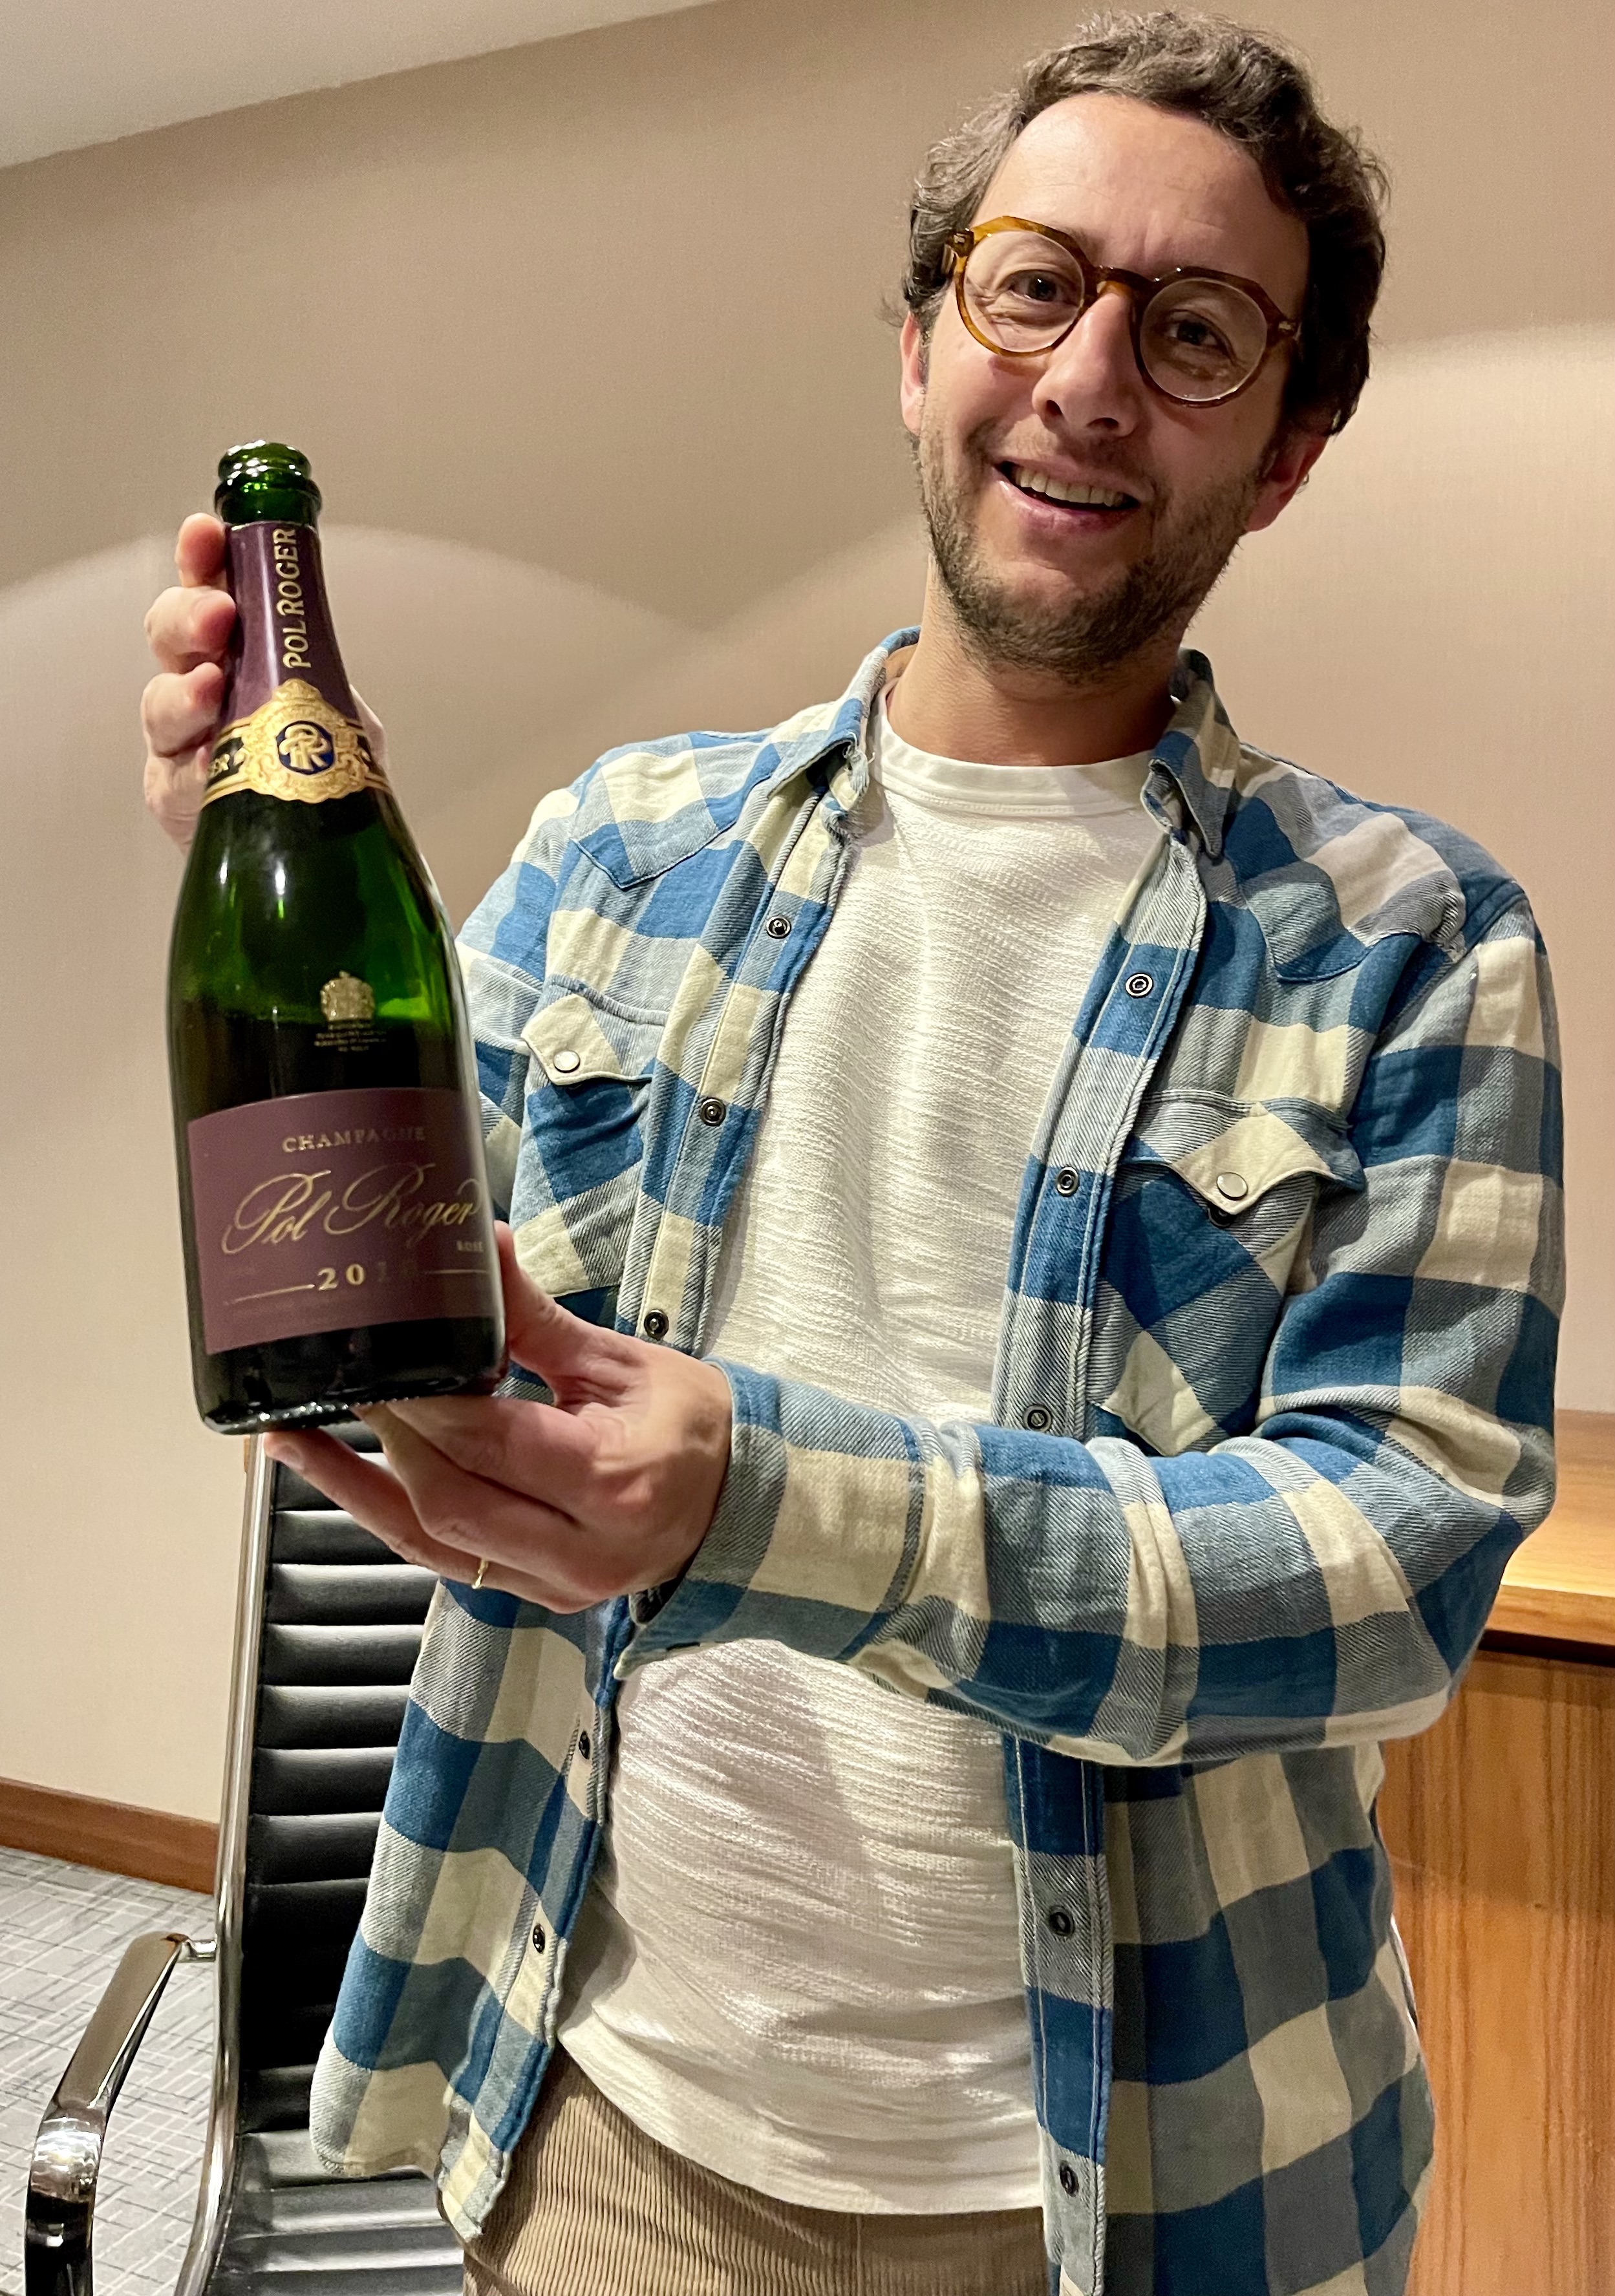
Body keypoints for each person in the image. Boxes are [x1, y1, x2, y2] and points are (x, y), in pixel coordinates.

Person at [142, 14, 1563, 2295]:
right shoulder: (614, 848)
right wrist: (300, 904)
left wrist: (762, 1504)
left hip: (1160, 2191)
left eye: (1196, 331)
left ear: (1286, 450)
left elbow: (1393, 1571)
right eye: (1032, 285)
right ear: (919, 348)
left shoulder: (1413, 941)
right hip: (607, 2129)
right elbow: (387, 1299)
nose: (1088, 378)